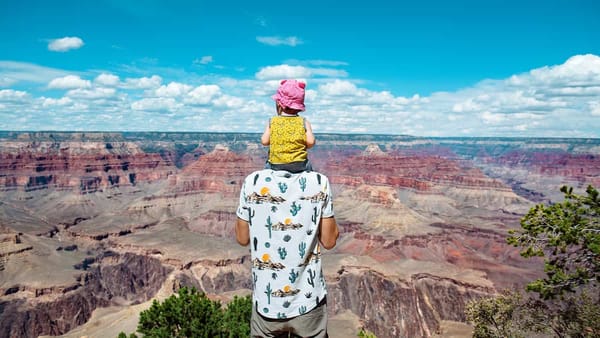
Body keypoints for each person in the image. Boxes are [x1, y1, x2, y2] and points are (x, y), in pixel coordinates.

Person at [235, 168, 339, 338]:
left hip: (267, 304)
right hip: (307, 303)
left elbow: (242, 238)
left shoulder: (253, 181)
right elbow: (329, 241)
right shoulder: (319, 182)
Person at [261, 79, 316, 173]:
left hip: (275, 165)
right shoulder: (304, 122)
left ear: (279, 103)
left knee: (267, 168)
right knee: (309, 168)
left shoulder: (272, 121)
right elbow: (310, 142)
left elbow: (264, 141)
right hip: (300, 165)